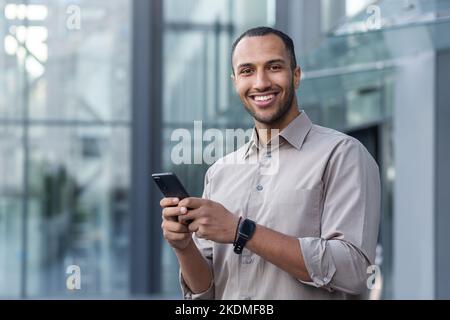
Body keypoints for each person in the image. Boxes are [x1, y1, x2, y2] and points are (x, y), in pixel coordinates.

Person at [160, 26, 381, 299]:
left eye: (274, 67)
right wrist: (183, 247)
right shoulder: (219, 171)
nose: (261, 82)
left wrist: (242, 231)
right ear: (235, 82)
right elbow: (208, 292)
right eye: (247, 71)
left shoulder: (342, 154)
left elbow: (356, 272)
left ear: (296, 75)